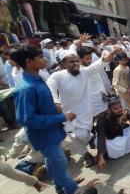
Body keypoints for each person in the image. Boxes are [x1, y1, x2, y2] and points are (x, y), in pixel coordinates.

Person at [11, 45, 79, 194]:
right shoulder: (26, 88)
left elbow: (39, 106)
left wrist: (54, 106)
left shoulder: (37, 79)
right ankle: (73, 189)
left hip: (51, 132)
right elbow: (26, 119)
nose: (45, 59)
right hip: (44, 136)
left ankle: (59, 187)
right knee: (60, 162)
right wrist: (62, 117)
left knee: (53, 162)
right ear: (29, 61)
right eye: (40, 57)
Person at [46, 47, 121, 168]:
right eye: (71, 61)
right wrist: (56, 103)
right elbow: (50, 87)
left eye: (76, 61)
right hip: (68, 112)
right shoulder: (57, 76)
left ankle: (92, 140)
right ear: (63, 63)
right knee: (73, 136)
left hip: (85, 111)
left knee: (83, 135)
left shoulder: (85, 72)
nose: (75, 63)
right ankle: (86, 154)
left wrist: (113, 52)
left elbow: (100, 63)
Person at [96, 97, 130, 171]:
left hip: (121, 134)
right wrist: (101, 158)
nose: (119, 109)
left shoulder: (125, 111)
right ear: (109, 109)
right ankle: (104, 154)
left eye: (120, 107)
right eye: (116, 108)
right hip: (109, 139)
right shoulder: (102, 118)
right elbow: (101, 137)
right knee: (114, 152)